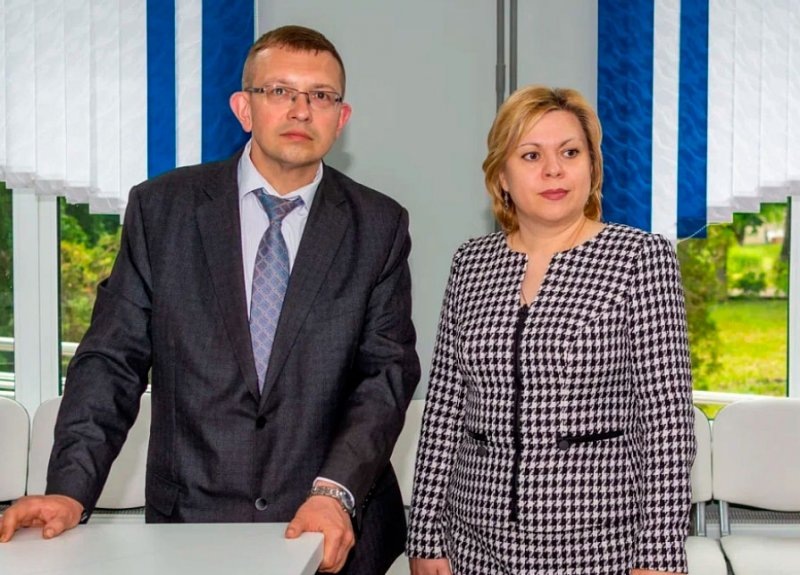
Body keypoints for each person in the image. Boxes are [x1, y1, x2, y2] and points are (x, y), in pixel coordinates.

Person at [0, 25, 420, 575]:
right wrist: (69, 489)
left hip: (332, 528)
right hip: (192, 529)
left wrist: (334, 491)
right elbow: (111, 362)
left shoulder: (379, 224)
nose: (301, 110)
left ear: (341, 118)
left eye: (320, 95)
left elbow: (385, 376)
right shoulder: (162, 209)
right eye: (280, 91)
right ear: (244, 108)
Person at [405, 85, 695, 575]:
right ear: (502, 176)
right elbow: (444, 410)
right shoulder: (471, 263)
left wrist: (659, 554)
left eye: (570, 152)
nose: (554, 170)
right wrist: (425, 536)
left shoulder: (639, 259)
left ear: (592, 167)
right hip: (472, 544)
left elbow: (667, 422)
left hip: (601, 548)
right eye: (531, 155)